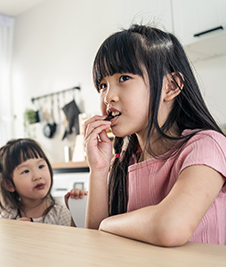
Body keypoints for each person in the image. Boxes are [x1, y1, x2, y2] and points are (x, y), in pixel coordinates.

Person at [76, 24, 226, 246]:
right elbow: (97, 244)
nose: (108, 96)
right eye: (102, 85)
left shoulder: (207, 146)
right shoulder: (127, 158)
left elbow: (170, 227)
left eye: (124, 78)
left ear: (171, 86)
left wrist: (107, 224)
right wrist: (98, 171)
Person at [0, 138, 73, 226]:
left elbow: (70, 239)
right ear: (9, 185)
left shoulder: (61, 213)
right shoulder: (7, 218)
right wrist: (15, 232)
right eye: (26, 171)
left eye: (41, 166)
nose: (37, 176)